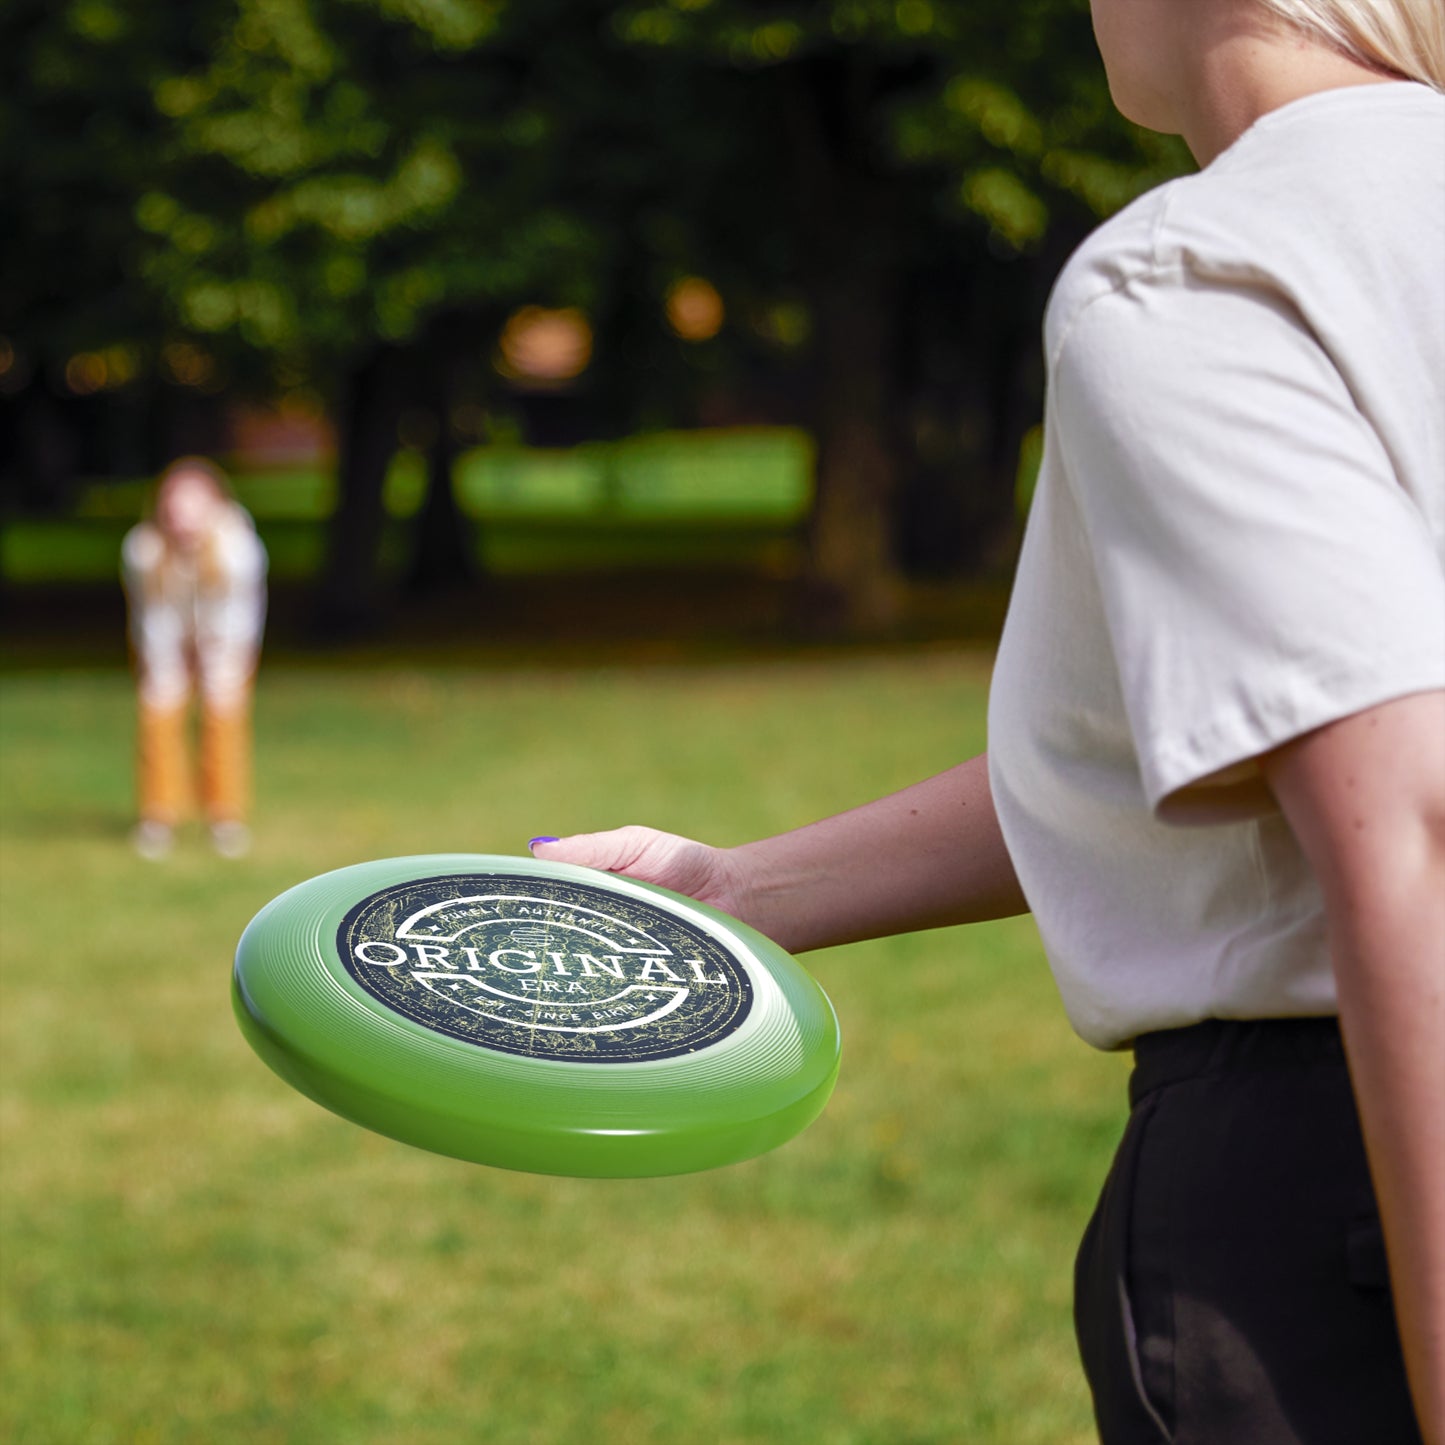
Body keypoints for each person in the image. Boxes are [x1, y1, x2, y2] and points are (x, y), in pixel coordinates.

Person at [529, 2, 1445, 1440]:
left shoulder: (1204, 270)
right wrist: (738, 889)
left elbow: (1408, 822)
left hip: (1343, 1191)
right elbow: (1222, 741)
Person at [121, 457, 268, 860]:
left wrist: (215, 660)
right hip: (165, 640)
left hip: (226, 641)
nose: (182, 517)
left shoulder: (239, 548)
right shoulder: (143, 549)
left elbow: (239, 616)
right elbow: (152, 616)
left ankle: (225, 817)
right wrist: (167, 665)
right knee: (158, 713)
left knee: (223, 717)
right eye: (174, 506)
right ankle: (158, 816)